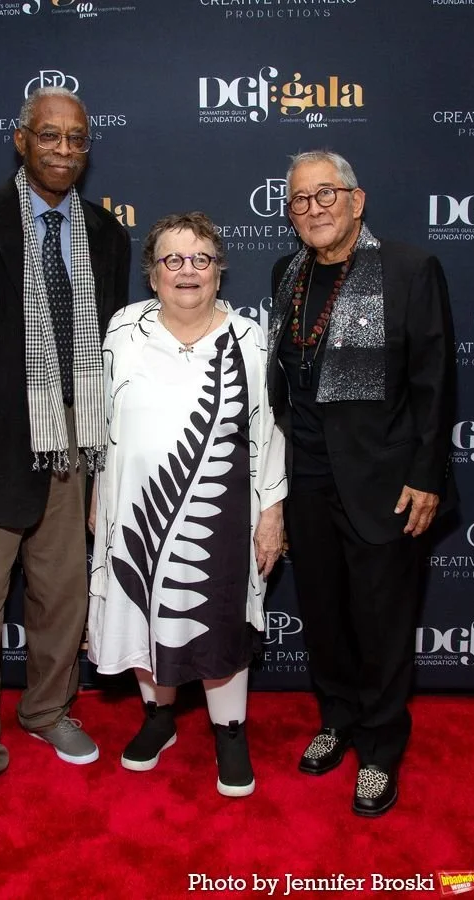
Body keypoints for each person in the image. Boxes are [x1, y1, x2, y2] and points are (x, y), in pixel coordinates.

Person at [0, 86, 130, 820]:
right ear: (20, 140)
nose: (64, 151)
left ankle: (47, 710)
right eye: (50, 137)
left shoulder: (105, 234)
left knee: (62, 599)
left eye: (77, 139)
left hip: (74, 447)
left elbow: (106, 352)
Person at [267, 150, 455, 817]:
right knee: (324, 614)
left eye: (326, 195)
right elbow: (284, 382)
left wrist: (426, 473)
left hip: (385, 483)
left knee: (381, 622)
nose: (313, 209)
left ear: (357, 200)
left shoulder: (407, 270)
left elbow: (435, 383)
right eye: (299, 200)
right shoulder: (286, 274)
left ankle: (379, 748)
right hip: (310, 477)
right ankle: (339, 718)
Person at [88, 212, 286, 797]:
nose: (187, 271)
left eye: (201, 259)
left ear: (219, 271)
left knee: (216, 618)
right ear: (152, 275)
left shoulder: (251, 339)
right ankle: (158, 719)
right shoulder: (123, 329)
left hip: (225, 512)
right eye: (172, 260)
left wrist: (272, 511)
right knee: (142, 606)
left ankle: (230, 733)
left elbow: (270, 430)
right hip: (135, 508)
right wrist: (100, 494)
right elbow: (103, 420)